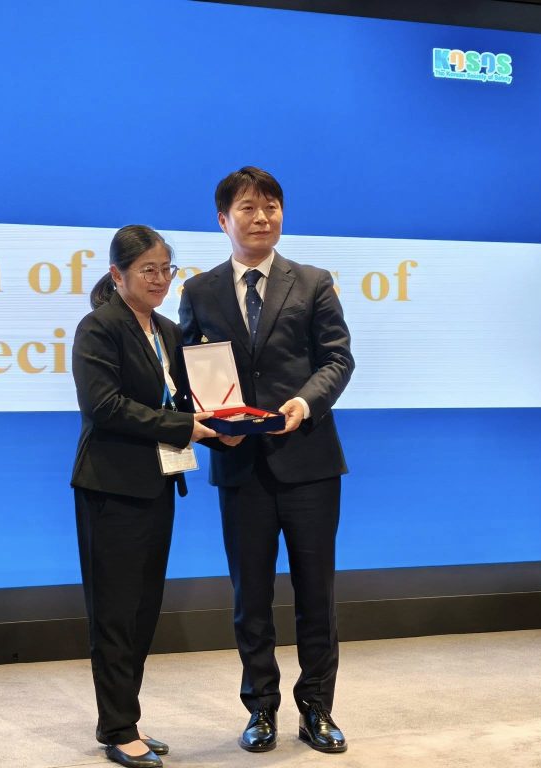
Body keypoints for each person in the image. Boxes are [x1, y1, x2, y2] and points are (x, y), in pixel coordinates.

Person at [179, 167, 355, 754]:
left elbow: (338, 359)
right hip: (240, 466)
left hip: (310, 462)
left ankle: (318, 708)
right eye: (249, 208)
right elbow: (189, 372)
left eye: (272, 206)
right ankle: (260, 708)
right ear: (223, 219)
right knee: (249, 596)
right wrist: (212, 430)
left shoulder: (313, 282)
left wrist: (304, 404)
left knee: (316, 594)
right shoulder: (199, 291)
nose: (262, 218)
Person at [71, 224, 218, 768]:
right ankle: (117, 728)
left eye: (166, 270)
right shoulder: (98, 327)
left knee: (142, 608)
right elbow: (104, 406)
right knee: (114, 611)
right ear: (118, 274)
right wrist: (184, 427)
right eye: (147, 270)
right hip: (110, 487)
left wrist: (224, 422)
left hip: (156, 482)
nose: (159, 280)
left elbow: (184, 400)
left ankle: (125, 718)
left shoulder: (168, 331)